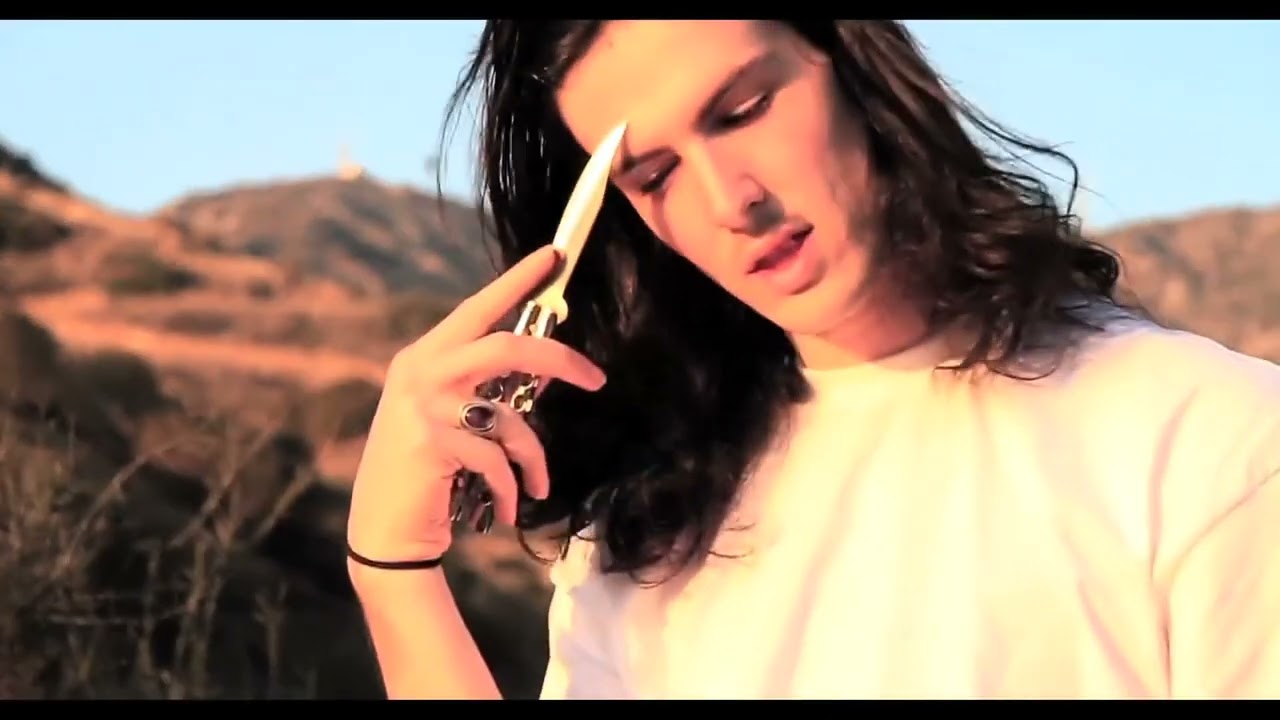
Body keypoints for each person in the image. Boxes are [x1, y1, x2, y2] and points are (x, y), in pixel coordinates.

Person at [344, 20, 1280, 700]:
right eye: (656, 175)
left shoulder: (1208, 442)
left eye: (744, 109)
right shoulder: (650, 528)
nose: (731, 199)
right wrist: (392, 574)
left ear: (847, 55)